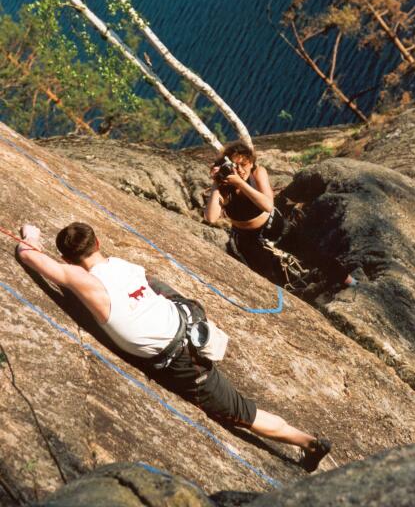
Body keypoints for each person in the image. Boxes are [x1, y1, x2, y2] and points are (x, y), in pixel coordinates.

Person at [17, 221, 331, 472]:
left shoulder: (81, 280)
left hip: (179, 359)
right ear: (98, 243)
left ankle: (308, 442)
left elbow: (27, 255)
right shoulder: (123, 265)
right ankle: (306, 441)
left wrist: (30, 237)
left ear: (67, 259)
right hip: (185, 323)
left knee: (241, 412)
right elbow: (154, 288)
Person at [204, 141, 289, 284]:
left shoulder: (257, 172)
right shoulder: (225, 186)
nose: (240, 170)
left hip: (272, 227)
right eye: (235, 165)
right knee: (268, 279)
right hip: (246, 238)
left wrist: (240, 183)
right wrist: (216, 183)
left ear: (251, 163)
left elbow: (268, 206)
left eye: (244, 165)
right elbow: (211, 218)